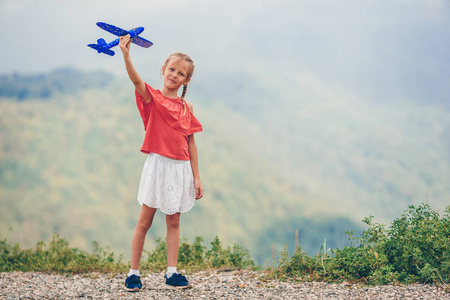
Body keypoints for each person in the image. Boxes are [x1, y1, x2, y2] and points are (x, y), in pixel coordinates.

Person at [118, 34, 204, 291]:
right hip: (157, 166)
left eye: (181, 73)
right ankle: (133, 273)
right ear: (163, 71)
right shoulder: (151, 98)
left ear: (187, 80)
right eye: (171, 69)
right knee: (144, 221)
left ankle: (172, 273)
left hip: (180, 170)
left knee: (174, 221)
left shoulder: (186, 107)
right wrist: (126, 54)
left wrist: (197, 177)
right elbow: (135, 80)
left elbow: (191, 143)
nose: (175, 75)